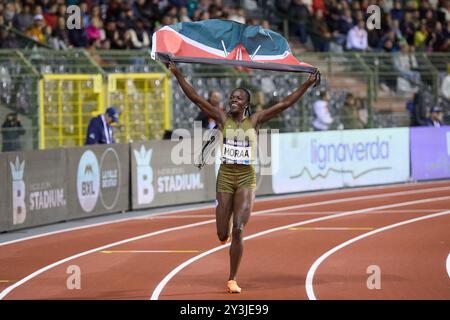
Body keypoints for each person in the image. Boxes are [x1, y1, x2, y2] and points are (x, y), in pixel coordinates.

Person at [167, 60, 318, 294]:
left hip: (246, 177)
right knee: (222, 234)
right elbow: (196, 98)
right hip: (225, 176)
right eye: (232, 98)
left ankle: (232, 278)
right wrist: (177, 73)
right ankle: (225, 223)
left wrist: (307, 84)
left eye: (238, 99)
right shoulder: (221, 118)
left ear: (246, 103)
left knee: (238, 229)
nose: (233, 101)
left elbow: (286, 103)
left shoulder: (255, 120)